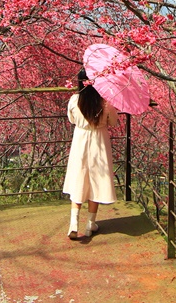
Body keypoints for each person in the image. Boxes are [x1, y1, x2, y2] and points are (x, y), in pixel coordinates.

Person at [62, 67, 119, 239]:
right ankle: (90, 224)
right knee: (96, 179)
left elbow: (71, 119)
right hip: (99, 140)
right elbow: (114, 122)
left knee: (79, 177)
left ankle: (73, 222)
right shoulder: (105, 101)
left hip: (80, 139)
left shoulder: (74, 100)